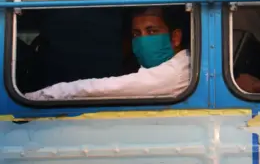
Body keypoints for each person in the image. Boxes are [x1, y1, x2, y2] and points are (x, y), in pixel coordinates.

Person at [25, 6, 190, 101]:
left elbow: (101, 88)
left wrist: (37, 97)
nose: (143, 40)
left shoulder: (176, 73)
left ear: (175, 37)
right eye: (136, 34)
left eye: (152, 31)